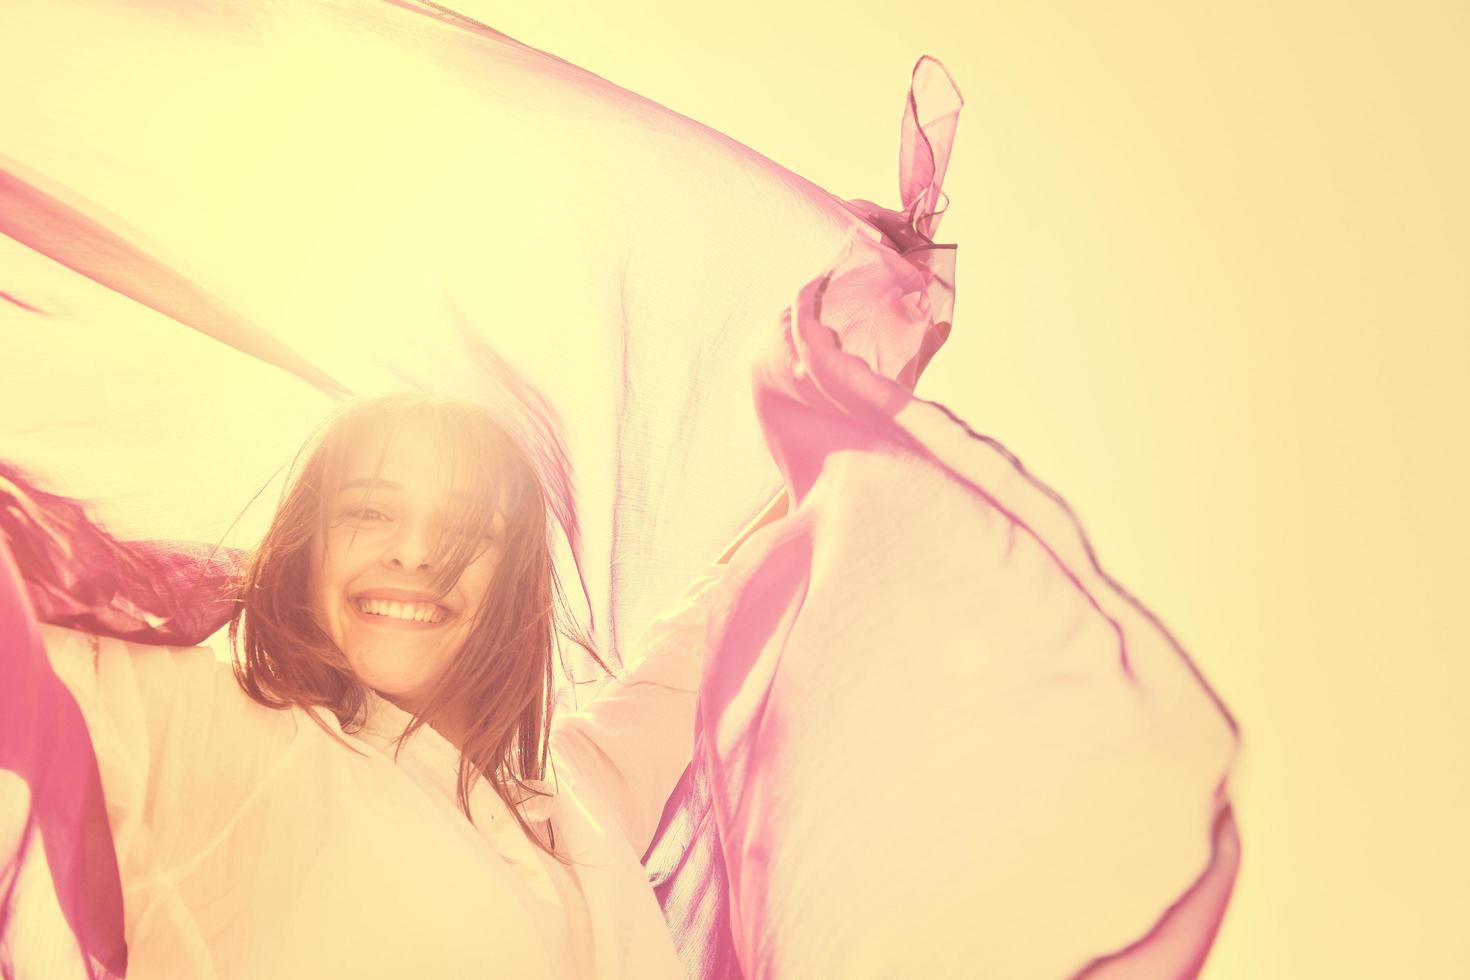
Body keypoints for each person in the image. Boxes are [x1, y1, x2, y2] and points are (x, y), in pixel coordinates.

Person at [37, 391, 788, 979]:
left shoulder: (578, 794)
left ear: (513, 582)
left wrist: (841, 406)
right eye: (368, 510)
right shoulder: (221, 729)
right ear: (306, 542)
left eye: (470, 528)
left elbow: (713, 622)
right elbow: (33, 651)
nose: (417, 552)